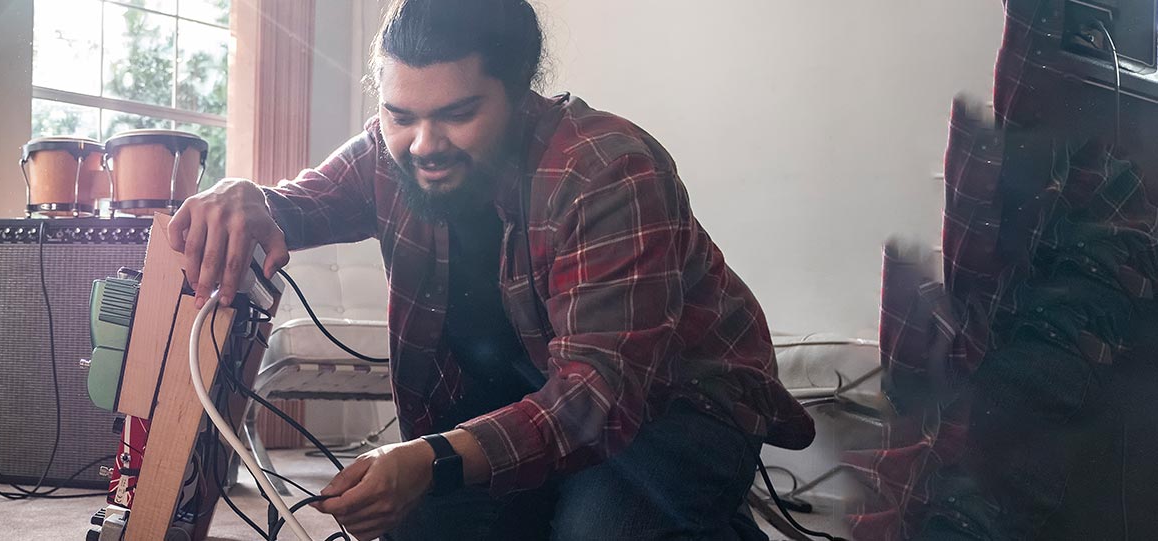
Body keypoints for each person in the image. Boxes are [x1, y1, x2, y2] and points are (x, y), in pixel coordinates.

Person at [168, 0, 815, 538]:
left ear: (519, 92)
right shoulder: (384, 152)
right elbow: (294, 205)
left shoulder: (608, 170)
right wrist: (243, 195)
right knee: (415, 527)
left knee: (593, 532)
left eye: (457, 114)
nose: (422, 145)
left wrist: (429, 457)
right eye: (400, 115)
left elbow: (597, 396)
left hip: (671, 415)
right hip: (517, 407)